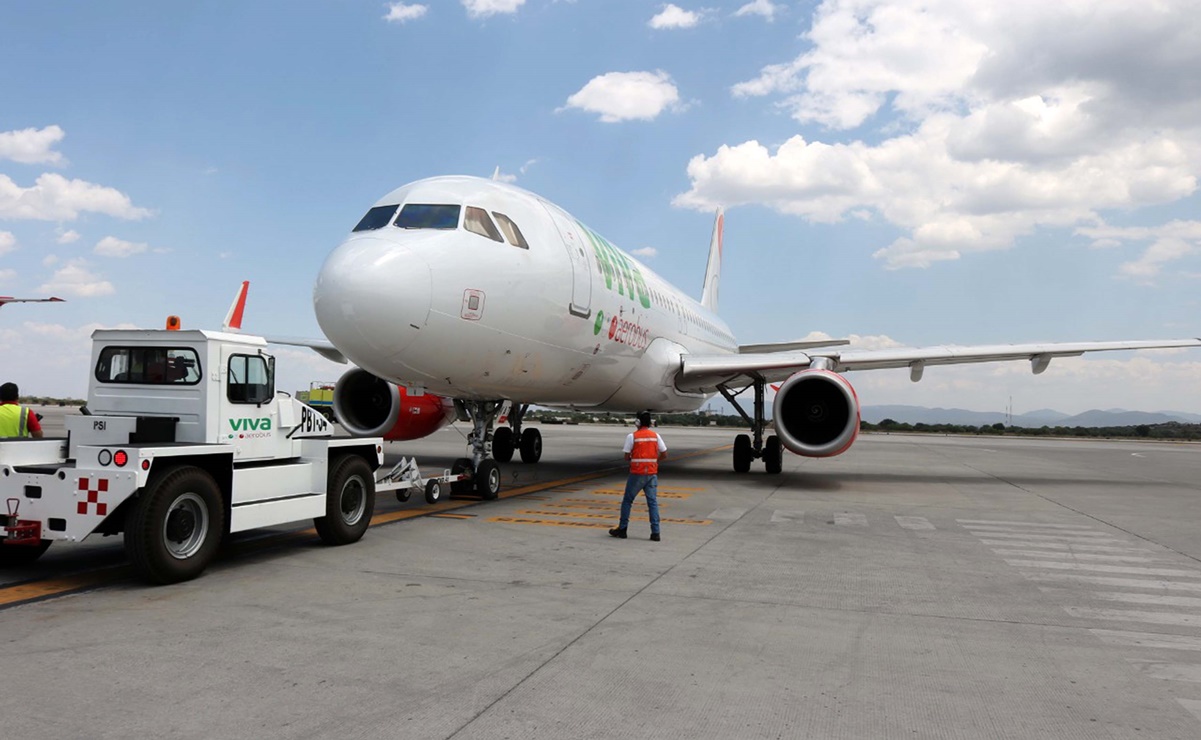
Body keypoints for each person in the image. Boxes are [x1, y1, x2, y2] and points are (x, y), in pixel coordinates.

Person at [610, 411, 667, 542]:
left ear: (638, 423)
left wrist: (635, 459)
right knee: (652, 503)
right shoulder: (655, 436)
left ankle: (623, 529)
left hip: (637, 474)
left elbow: (626, 456)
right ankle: (655, 533)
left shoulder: (632, 436)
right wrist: (654, 461)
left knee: (627, 501)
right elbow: (664, 454)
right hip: (651, 474)